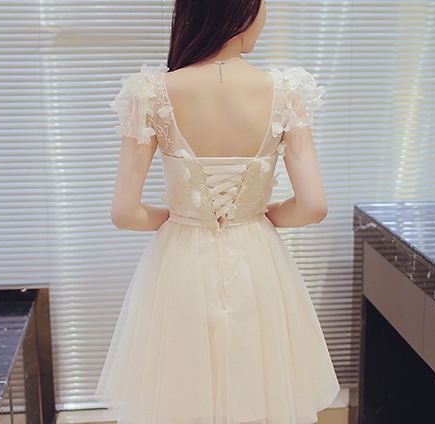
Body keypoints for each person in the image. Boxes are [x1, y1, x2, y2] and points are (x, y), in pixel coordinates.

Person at [96, 0, 340, 422]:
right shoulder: (285, 92)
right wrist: (267, 214)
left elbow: (124, 212)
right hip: (257, 258)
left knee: (181, 395)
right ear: (240, 12)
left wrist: (176, 217)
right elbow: (313, 206)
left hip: (181, 260)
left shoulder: (151, 93)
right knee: (257, 390)